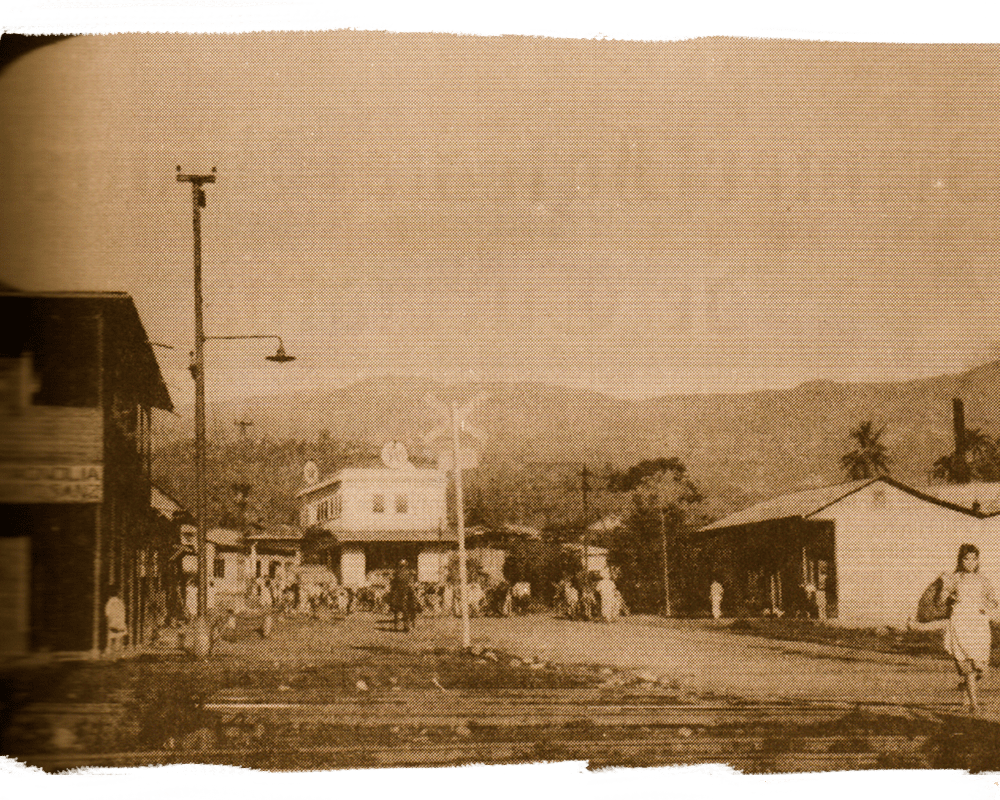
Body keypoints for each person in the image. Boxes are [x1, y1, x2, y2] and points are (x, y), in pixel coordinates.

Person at [941, 544, 998, 714]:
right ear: (960, 560)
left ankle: (966, 684)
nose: (970, 562)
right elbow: (941, 598)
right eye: (966, 558)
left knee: (982, 668)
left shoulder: (983, 580)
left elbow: (994, 601)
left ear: (978, 560)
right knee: (969, 665)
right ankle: (974, 704)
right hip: (960, 622)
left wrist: (987, 607)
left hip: (979, 623)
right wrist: (950, 595)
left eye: (974, 558)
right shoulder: (955, 578)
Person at [104, 591, 127, 658]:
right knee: (120, 639)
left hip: (113, 624)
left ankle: (111, 656)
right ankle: (121, 655)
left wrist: (109, 623)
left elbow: (107, 614)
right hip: (120, 624)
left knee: (112, 639)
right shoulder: (120, 602)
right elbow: (123, 613)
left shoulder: (109, 603)